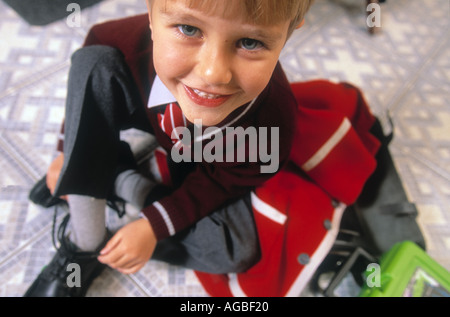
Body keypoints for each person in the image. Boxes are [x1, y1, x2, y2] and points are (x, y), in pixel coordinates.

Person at [24, 0, 319, 297]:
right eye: (189, 29)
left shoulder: (273, 123)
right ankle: (84, 242)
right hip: (150, 120)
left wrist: (154, 226)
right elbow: (90, 70)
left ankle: (113, 176)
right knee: (94, 62)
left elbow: (222, 183)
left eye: (250, 42)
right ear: (150, 16)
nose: (213, 73)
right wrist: (66, 147)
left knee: (236, 250)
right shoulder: (123, 39)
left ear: (289, 33)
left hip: (207, 166)